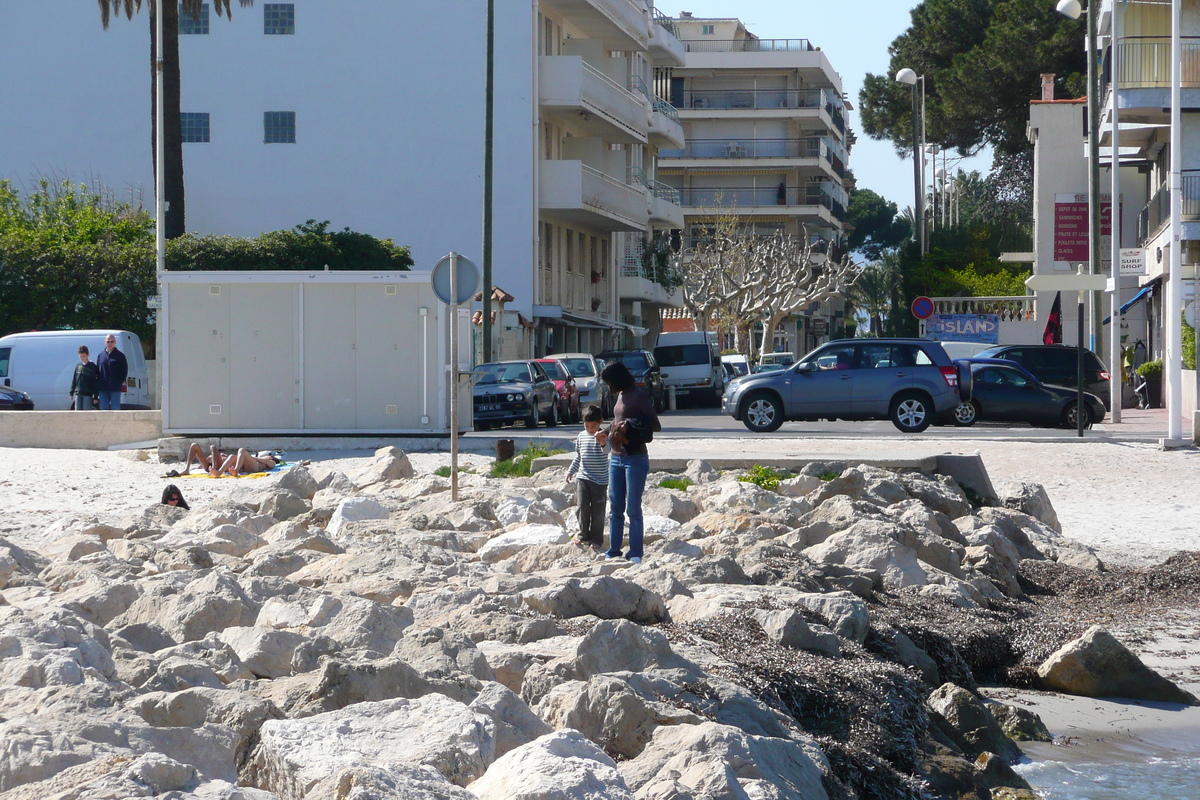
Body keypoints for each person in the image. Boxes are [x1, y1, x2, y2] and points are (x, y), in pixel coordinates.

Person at [599, 360, 661, 565]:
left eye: (610, 382)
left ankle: (636, 553)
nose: (609, 387)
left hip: (635, 459)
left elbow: (655, 425)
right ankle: (613, 550)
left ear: (617, 379)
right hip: (616, 458)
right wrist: (605, 432)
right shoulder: (621, 395)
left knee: (633, 508)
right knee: (615, 507)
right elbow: (616, 420)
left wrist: (631, 426)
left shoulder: (639, 395)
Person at [565, 404, 609, 551]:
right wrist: (571, 471)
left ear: (601, 422)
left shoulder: (604, 435)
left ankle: (596, 538)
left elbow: (607, 451)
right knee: (582, 506)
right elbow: (579, 456)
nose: (590, 429)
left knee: (598, 510)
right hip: (583, 477)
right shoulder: (581, 436)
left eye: (594, 426)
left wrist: (602, 441)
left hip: (600, 480)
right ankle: (583, 533)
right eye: (587, 425)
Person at [95, 334, 128, 410]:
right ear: (105, 342)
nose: (110, 344)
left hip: (115, 389)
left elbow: (124, 371)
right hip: (103, 389)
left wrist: (118, 382)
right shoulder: (101, 355)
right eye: (108, 341)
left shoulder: (120, 356)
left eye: (112, 342)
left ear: (115, 342)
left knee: (115, 409)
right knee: (103, 409)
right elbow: (98, 371)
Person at [69, 345, 99, 411]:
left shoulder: (92, 366)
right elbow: (74, 380)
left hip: (87, 394)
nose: (82, 358)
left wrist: (95, 396)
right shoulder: (78, 366)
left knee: (86, 412)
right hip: (78, 393)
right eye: (80, 356)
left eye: (84, 356)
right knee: (77, 411)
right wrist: (71, 392)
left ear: (88, 355)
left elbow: (95, 382)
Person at [215, 448, 281, 477]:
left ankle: (236, 470)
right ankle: (219, 472)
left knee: (242, 450)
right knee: (232, 456)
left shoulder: (272, 461)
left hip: (257, 467)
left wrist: (255, 458)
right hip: (246, 465)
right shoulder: (257, 459)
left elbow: (271, 465)